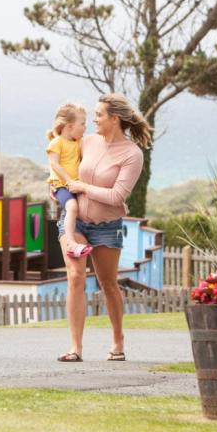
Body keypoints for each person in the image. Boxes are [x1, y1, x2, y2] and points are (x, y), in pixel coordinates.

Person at [56, 93, 151, 363]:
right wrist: (59, 190)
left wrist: (83, 187)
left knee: (108, 282)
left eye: (98, 115)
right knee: (75, 276)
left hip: (107, 226)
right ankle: (76, 348)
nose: (93, 120)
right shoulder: (87, 142)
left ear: (114, 119)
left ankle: (118, 341)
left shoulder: (132, 155)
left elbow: (117, 197)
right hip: (74, 222)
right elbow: (62, 162)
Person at [46, 103, 92, 259]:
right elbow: (54, 164)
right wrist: (68, 181)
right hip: (61, 186)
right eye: (83, 123)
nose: (86, 127)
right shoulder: (56, 143)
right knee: (72, 207)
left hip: (75, 184)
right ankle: (71, 243)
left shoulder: (79, 142)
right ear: (70, 126)